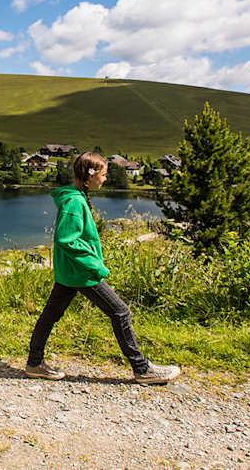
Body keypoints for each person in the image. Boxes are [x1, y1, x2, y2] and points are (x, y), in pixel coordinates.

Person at [25, 152, 181, 385]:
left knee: (50, 315)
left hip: (70, 271)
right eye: (104, 174)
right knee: (120, 311)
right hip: (82, 272)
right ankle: (142, 369)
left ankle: (35, 363)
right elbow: (66, 239)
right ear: (90, 174)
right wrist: (94, 264)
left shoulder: (76, 197)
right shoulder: (74, 202)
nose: (105, 179)